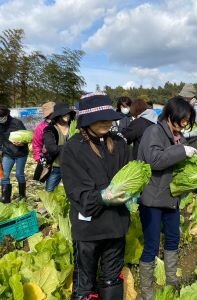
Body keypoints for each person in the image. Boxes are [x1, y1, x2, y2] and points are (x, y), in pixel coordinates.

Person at [61, 93, 131, 300]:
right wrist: (102, 197)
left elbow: (131, 174)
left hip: (116, 224)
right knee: (85, 282)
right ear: (87, 121)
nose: (107, 123)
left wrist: (133, 193)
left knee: (112, 278)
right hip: (89, 228)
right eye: (101, 120)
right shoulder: (73, 148)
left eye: (109, 119)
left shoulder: (119, 143)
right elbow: (76, 190)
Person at [137, 96, 196, 299]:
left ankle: (172, 280)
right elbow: (155, 160)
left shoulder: (178, 136)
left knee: (173, 238)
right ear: (171, 115)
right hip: (152, 199)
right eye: (183, 119)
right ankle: (146, 290)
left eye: (188, 120)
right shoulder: (153, 132)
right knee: (152, 244)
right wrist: (181, 151)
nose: (185, 124)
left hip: (172, 197)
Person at [43, 102, 76, 192]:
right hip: (56, 166)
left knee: (73, 191)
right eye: (64, 114)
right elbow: (52, 148)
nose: (67, 116)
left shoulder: (75, 128)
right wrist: (70, 147)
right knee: (50, 191)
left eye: (68, 114)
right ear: (58, 115)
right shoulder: (50, 129)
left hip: (72, 166)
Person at [0, 104, 29, 202]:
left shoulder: (17, 123)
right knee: (4, 175)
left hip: (20, 153)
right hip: (7, 152)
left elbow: (27, 137)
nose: (1, 120)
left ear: (7, 115)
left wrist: (22, 143)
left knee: (19, 174)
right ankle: (5, 197)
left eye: (2, 117)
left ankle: (22, 196)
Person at [179, 83, 197, 157]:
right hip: (192, 139)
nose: (183, 98)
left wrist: (188, 134)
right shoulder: (190, 106)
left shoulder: (196, 108)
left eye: (184, 96)